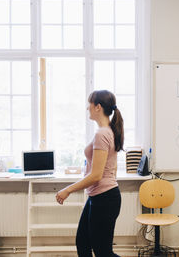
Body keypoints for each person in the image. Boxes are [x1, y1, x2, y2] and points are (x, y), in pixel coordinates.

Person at [56, 90, 124, 257]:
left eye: (90, 104)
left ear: (98, 107)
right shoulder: (109, 130)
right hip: (100, 196)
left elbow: (96, 175)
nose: (88, 108)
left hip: (105, 198)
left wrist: (68, 190)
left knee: (103, 252)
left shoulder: (102, 134)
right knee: (83, 242)